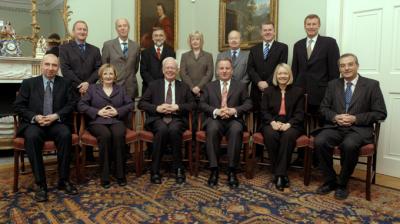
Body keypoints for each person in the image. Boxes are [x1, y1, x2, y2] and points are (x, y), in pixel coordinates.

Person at [314, 53, 387, 200]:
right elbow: (323, 109)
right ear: (339, 68)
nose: (346, 68)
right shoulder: (333, 84)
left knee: (349, 145)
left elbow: (380, 113)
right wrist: (335, 117)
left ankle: (342, 183)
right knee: (319, 141)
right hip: (336, 128)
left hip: (358, 130)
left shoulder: (372, 85)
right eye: (342, 65)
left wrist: (355, 118)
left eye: (350, 64)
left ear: (357, 66)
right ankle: (330, 180)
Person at [13, 54, 78, 202]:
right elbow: (18, 106)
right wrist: (35, 117)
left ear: (58, 67)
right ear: (41, 65)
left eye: (54, 65)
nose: (50, 68)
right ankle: (41, 184)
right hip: (34, 124)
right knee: (32, 136)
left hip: (57, 123)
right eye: (47, 64)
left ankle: (63, 180)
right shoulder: (28, 83)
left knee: (65, 133)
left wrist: (56, 116)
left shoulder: (66, 83)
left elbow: (71, 104)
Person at [291, 14, 340, 167]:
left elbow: (334, 71)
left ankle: (319, 159)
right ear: (304, 26)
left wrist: (331, 94)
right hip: (301, 93)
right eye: (308, 24)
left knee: (322, 125)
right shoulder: (298, 45)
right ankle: (301, 156)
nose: (311, 26)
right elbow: (295, 69)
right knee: (301, 123)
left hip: (322, 93)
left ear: (318, 25)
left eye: (314, 24)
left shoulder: (329, 43)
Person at [138, 57, 194, 184]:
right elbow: (141, 103)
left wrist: (178, 107)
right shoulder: (153, 85)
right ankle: (155, 169)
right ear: (163, 70)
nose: (170, 70)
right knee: (162, 129)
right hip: (158, 118)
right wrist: (157, 108)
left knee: (174, 129)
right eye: (167, 68)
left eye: (172, 68)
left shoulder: (184, 86)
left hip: (177, 118)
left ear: (177, 70)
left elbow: (192, 105)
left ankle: (178, 168)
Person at [78, 64, 133, 189]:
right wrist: (97, 112)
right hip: (97, 122)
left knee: (119, 135)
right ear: (101, 76)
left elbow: (130, 105)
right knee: (105, 135)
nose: (108, 76)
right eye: (105, 74)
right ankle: (105, 175)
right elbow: (81, 105)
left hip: (116, 121)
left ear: (115, 76)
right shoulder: (92, 89)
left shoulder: (121, 89)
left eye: (111, 74)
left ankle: (120, 174)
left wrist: (117, 111)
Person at [199, 58, 252, 188]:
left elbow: (249, 103)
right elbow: (201, 104)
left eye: (227, 68)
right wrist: (216, 111)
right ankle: (214, 169)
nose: (224, 71)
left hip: (233, 119)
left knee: (236, 130)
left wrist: (234, 110)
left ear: (232, 70)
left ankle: (232, 170)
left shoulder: (240, 86)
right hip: (215, 119)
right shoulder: (209, 86)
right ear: (217, 71)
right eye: (221, 68)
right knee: (212, 129)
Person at [260, 63, 305, 191]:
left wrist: (289, 124)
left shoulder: (298, 91)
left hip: (292, 123)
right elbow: (263, 111)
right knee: (271, 135)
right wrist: (272, 122)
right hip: (271, 122)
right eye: (280, 73)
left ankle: (278, 174)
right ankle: (282, 173)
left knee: (287, 136)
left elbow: (300, 113)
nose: (282, 76)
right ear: (276, 75)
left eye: (285, 73)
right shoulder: (268, 91)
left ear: (289, 75)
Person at [247, 21, 288, 128]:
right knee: (257, 119)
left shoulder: (283, 48)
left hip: (274, 89)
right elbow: (250, 69)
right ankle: (257, 144)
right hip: (257, 90)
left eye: (270, 30)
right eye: (265, 30)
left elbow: (281, 67)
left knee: (272, 119)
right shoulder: (253, 49)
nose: (267, 32)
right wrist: (259, 82)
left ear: (274, 32)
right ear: (261, 32)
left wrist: (268, 82)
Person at [59, 20, 102, 101]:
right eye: (79, 29)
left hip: (90, 91)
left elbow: (99, 69)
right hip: (72, 91)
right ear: (73, 32)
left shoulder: (95, 50)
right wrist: (80, 85)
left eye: (84, 29)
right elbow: (65, 70)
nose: (82, 31)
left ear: (87, 32)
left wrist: (87, 83)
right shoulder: (64, 48)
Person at [102, 18, 141, 100]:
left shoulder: (136, 46)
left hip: (130, 88)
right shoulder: (108, 45)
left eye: (125, 26)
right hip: (113, 87)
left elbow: (135, 67)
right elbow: (104, 67)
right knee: (112, 112)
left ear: (128, 28)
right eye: (119, 26)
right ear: (116, 29)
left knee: (130, 112)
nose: (122, 28)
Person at [140, 27, 175, 95]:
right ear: (152, 38)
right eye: (156, 36)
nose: (158, 38)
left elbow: (171, 70)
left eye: (161, 35)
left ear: (165, 38)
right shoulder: (145, 52)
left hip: (166, 88)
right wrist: (154, 85)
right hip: (148, 88)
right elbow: (143, 71)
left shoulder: (171, 52)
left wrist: (162, 84)